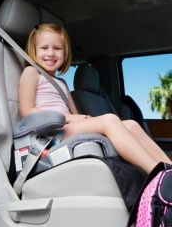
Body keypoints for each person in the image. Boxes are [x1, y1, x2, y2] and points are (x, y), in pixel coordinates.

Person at [19, 23, 172, 174]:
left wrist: (82, 119)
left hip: (65, 129)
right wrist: (69, 118)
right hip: (48, 133)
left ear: (65, 53)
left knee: (131, 124)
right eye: (44, 48)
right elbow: (26, 111)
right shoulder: (31, 72)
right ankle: (156, 173)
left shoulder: (62, 83)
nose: (51, 53)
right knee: (110, 120)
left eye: (57, 48)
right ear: (33, 51)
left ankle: (169, 169)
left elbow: (76, 114)